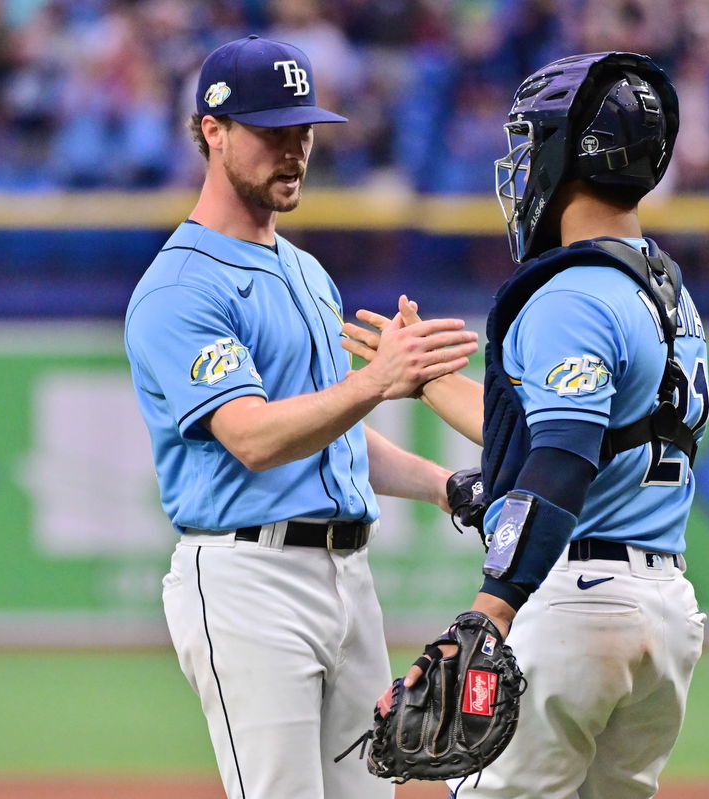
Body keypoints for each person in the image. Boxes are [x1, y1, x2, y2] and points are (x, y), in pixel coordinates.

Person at [344, 52, 709, 798]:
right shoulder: (661, 287)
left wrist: (489, 610)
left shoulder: (570, 293)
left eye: (531, 140)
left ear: (570, 154)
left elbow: (565, 457)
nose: (519, 162)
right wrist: (426, 382)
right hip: (664, 610)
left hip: (574, 598)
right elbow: (573, 436)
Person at [123, 36, 478, 799]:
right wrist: (379, 379)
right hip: (249, 577)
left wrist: (449, 487)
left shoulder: (304, 270)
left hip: (348, 577)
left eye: (304, 131)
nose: (294, 151)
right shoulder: (179, 288)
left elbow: (332, 434)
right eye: (271, 132)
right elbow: (252, 437)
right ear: (212, 131)